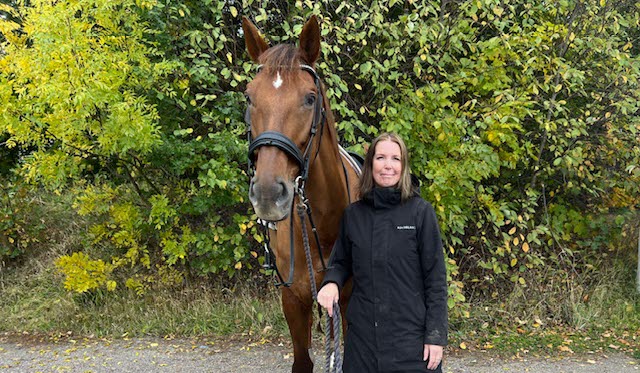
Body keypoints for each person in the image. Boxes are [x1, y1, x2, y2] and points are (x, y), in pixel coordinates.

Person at [317, 132, 448, 372]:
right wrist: (332, 283)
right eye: (380, 157)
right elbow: (340, 262)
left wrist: (436, 336)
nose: (388, 165)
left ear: (403, 166)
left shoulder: (421, 213)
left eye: (395, 159)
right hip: (362, 343)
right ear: (370, 165)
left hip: (412, 342)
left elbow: (436, 281)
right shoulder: (353, 215)